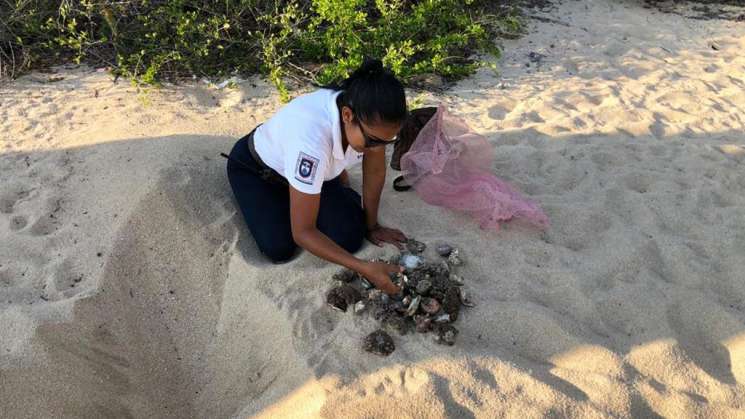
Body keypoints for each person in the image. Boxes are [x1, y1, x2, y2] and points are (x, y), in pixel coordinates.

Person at [226, 59, 408, 294]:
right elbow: (303, 233)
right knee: (279, 248)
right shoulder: (310, 142)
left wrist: (372, 225)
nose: (378, 148)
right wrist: (363, 267)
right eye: (373, 140)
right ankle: (292, 199)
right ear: (347, 115)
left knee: (351, 236)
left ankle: (304, 197)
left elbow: (374, 171)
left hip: (318, 173)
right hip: (259, 170)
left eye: (387, 141)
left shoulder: (371, 118)